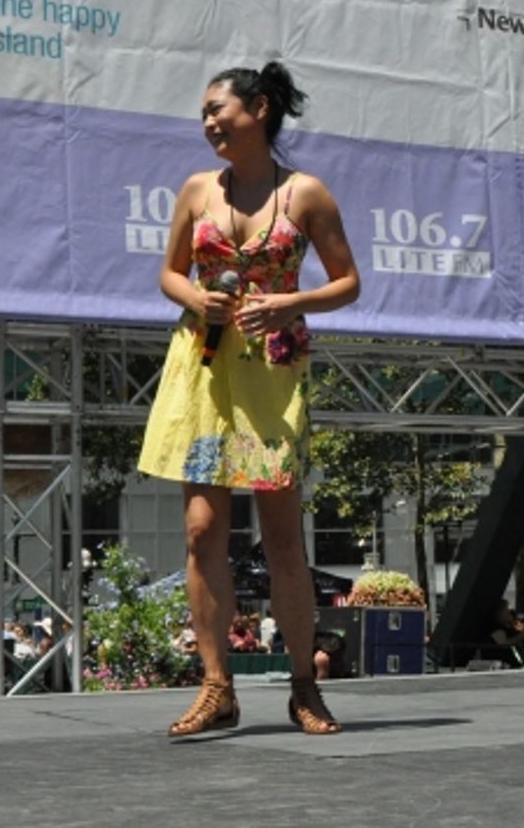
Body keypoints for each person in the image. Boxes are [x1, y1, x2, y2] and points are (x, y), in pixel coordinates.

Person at [138, 61, 360, 737]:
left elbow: (348, 282)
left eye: (218, 109)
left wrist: (291, 300)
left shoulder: (306, 194)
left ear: (259, 109)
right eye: (202, 114)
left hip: (271, 372)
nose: (208, 123)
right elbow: (170, 273)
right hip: (203, 369)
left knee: (282, 536)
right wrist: (195, 296)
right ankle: (216, 687)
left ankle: (304, 686)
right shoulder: (198, 190)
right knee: (203, 528)